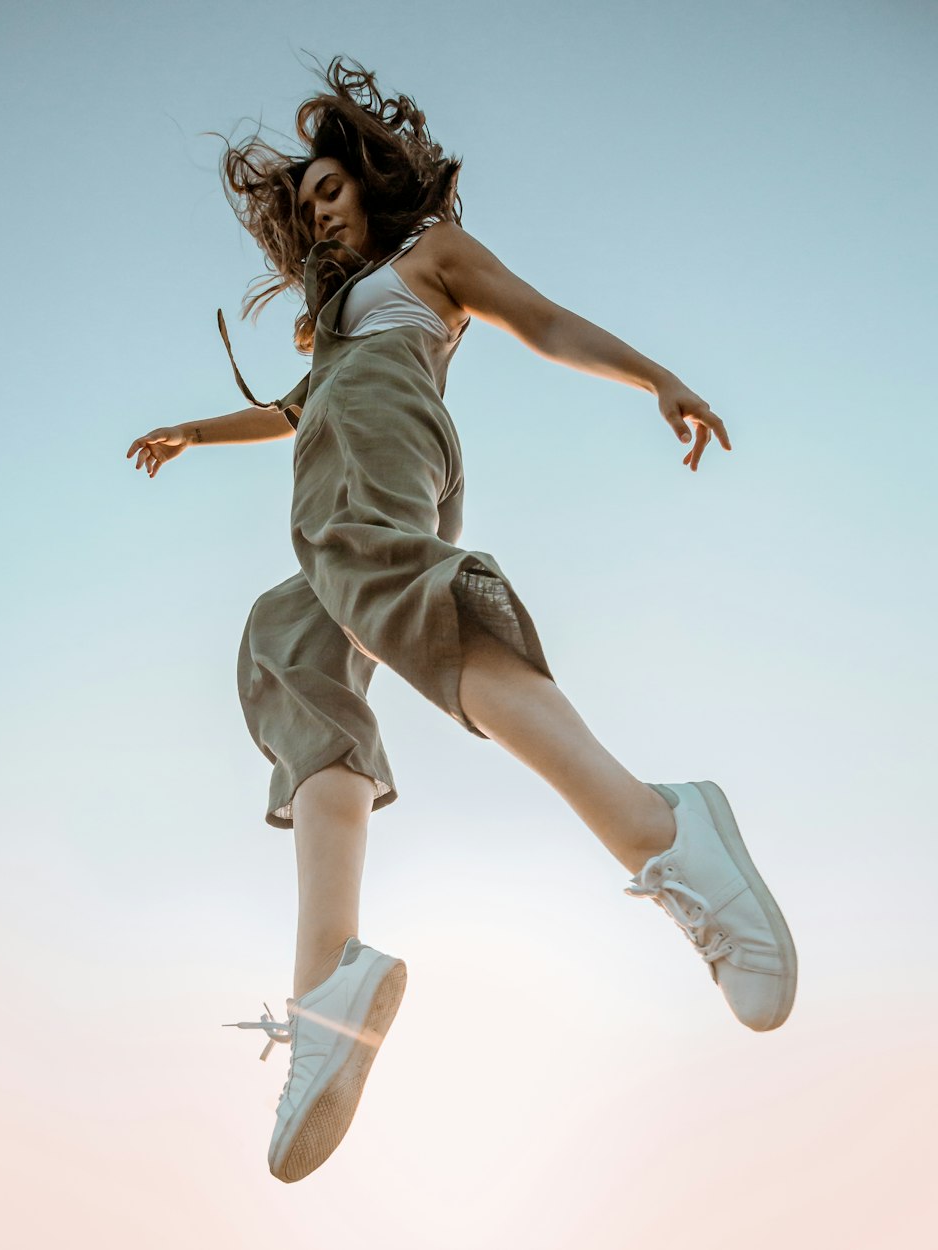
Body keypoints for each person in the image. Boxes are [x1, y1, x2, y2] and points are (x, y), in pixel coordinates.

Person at [127, 57, 797, 1184]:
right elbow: (288, 413)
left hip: (389, 433)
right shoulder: (332, 323)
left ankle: (662, 829)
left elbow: (540, 319)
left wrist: (657, 379)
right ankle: (326, 987)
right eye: (304, 209)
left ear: (373, 182)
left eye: (329, 188)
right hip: (338, 468)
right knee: (290, 649)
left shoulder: (426, 257)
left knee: (392, 584)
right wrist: (192, 431)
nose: (318, 210)